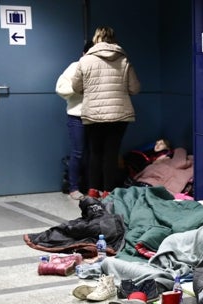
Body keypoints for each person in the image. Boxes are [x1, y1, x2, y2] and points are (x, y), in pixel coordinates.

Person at [71, 26, 141, 199]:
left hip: (93, 114)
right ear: (113, 39)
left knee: (95, 152)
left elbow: (76, 87)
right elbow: (135, 88)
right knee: (111, 153)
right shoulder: (123, 59)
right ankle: (108, 191)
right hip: (119, 114)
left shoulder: (85, 61)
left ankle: (93, 190)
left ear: (96, 38)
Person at [55, 41, 94, 200]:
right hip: (77, 116)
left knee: (95, 154)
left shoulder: (101, 68)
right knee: (78, 153)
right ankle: (73, 187)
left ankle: (94, 187)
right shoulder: (74, 67)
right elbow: (60, 88)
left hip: (98, 117)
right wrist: (78, 88)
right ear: (83, 54)